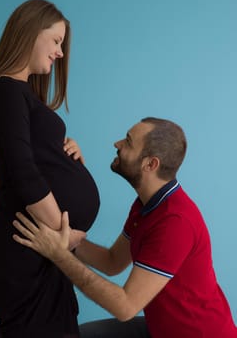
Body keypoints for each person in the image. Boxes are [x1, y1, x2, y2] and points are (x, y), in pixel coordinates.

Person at [12, 117, 237, 338]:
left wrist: (58, 255)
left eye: (128, 142)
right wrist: (69, 241)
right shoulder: (146, 205)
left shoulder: (175, 222)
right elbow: (113, 261)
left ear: (150, 164)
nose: (117, 144)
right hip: (161, 329)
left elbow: (125, 307)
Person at [0, 0, 100, 338]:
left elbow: (33, 155)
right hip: (29, 244)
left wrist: (66, 151)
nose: (61, 53)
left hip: (42, 247)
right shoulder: (4, 90)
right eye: (57, 40)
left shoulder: (19, 93)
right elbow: (24, 175)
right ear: (31, 31)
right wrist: (66, 238)